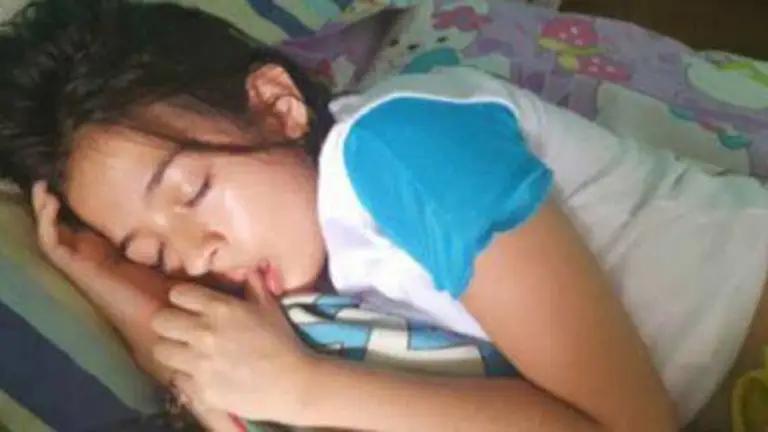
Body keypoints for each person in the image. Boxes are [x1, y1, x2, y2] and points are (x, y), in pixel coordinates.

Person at [0, 0, 765, 430]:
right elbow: (218, 379)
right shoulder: (311, 274)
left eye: (193, 192)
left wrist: (304, 387)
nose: (198, 256)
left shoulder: (398, 150)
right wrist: (106, 279)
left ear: (276, 105)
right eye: (157, 254)